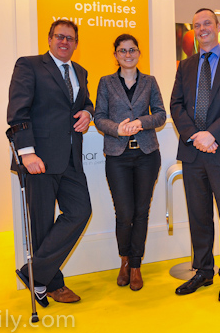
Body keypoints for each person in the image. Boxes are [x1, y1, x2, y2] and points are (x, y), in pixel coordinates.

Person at [7, 19, 94, 307]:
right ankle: (53, 284)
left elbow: (85, 102)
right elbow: (17, 112)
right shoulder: (29, 65)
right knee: (41, 224)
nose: (64, 42)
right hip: (39, 158)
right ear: (49, 39)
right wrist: (27, 153)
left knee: (80, 211)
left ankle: (33, 274)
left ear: (76, 43)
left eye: (70, 38)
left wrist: (88, 113)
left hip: (71, 159)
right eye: (60, 36)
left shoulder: (80, 71)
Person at [170, 8, 220, 302]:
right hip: (193, 153)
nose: (202, 28)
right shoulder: (185, 66)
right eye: (197, 25)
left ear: (218, 26)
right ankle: (203, 271)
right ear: (193, 31)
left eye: (207, 23)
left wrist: (211, 135)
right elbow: (176, 105)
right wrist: (195, 136)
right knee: (199, 216)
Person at [94, 34, 166, 291]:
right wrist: (117, 129)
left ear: (138, 53)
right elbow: (99, 117)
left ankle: (136, 265)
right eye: (122, 50)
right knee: (124, 213)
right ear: (115, 54)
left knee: (141, 212)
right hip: (118, 156)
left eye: (132, 50)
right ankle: (124, 259)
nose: (127, 54)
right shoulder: (105, 82)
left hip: (147, 155)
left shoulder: (150, 81)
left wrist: (141, 122)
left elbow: (160, 114)